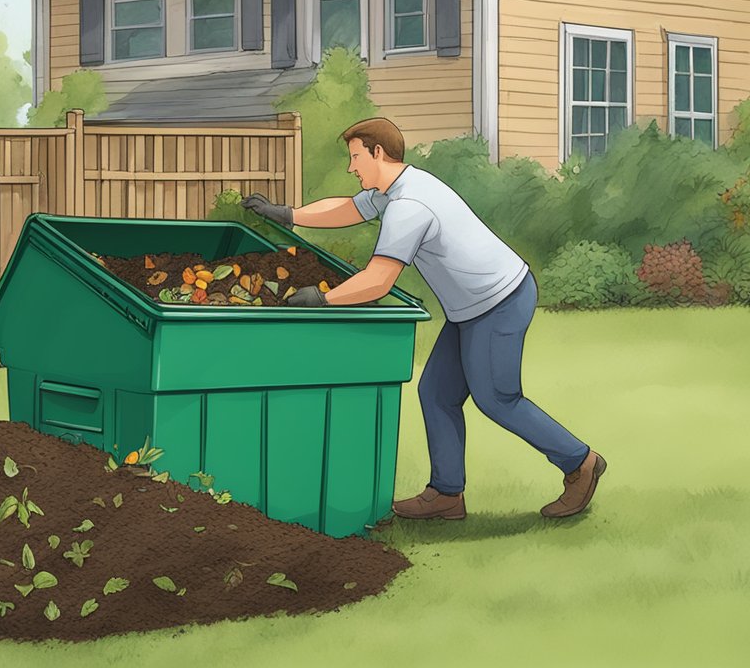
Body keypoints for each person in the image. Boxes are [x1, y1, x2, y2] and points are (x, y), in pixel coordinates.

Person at [243, 117, 605, 519]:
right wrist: (289, 214)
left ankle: (580, 462)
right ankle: (447, 494)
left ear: (378, 153)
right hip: (471, 307)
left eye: (356, 158)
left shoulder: (409, 206)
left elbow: (378, 281)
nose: (352, 168)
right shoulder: (394, 188)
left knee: (498, 399)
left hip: (499, 300)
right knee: (436, 392)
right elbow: (347, 209)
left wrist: (323, 299)